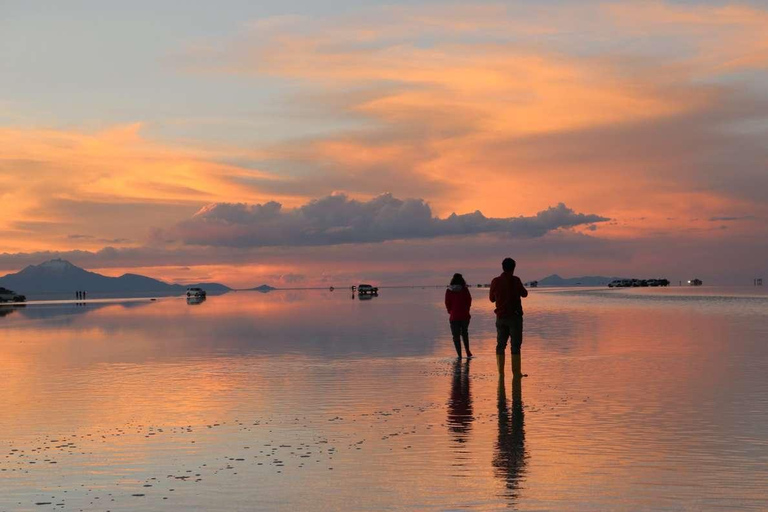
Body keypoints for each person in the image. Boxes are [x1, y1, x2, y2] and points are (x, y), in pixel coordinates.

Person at [489, 258, 528, 377]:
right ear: (514, 268)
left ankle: (501, 373)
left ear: (503, 267)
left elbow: (491, 299)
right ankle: (516, 373)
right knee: (515, 346)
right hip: (514, 318)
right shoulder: (516, 280)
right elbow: (525, 294)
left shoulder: (495, 281)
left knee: (500, 345)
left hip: (500, 317)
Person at [445, 273, 473, 358]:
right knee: (465, 333)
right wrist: (467, 310)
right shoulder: (465, 289)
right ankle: (467, 351)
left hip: (454, 316)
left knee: (456, 336)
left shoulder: (449, 290)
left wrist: (450, 311)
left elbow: (447, 303)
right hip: (464, 315)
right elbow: (469, 301)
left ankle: (459, 355)